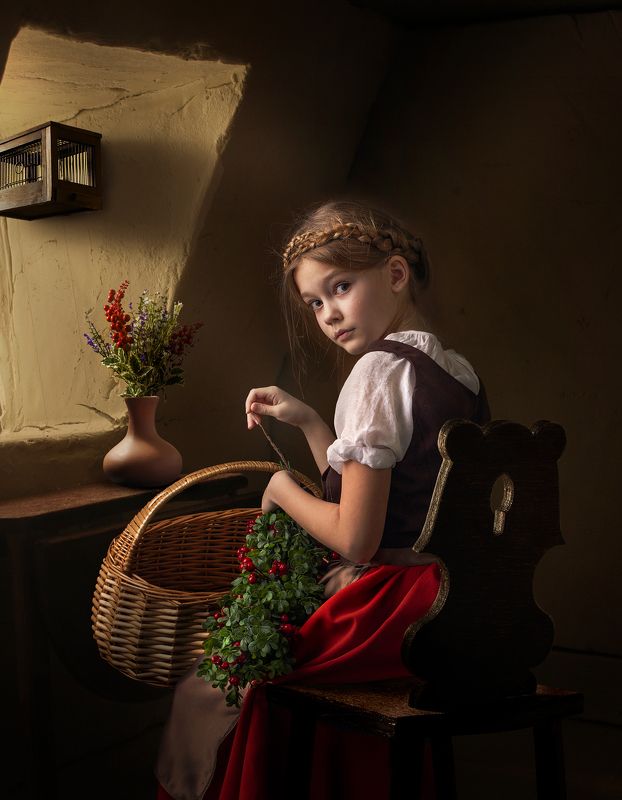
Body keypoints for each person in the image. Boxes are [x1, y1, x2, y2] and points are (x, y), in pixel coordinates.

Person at [156, 199, 490, 800]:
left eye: (340, 287)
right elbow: (386, 495)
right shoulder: (455, 370)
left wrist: (280, 489)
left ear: (395, 274)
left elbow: (358, 539)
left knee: (222, 679)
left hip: (395, 609)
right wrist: (312, 423)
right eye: (314, 303)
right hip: (454, 599)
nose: (329, 314)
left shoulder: (375, 373)